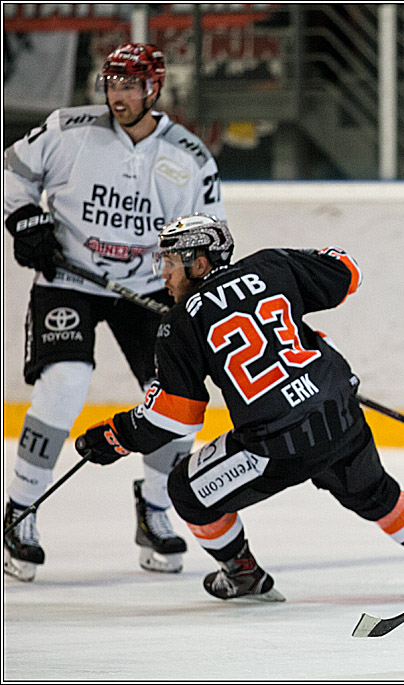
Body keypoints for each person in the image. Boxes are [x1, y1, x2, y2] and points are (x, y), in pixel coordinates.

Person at [73, 213, 404, 602]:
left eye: (170, 262)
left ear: (199, 264)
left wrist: (113, 436)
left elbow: (171, 418)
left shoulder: (182, 322)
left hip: (276, 446)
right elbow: (347, 271)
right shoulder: (270, 266)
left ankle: (242, 574)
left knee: (185, 490)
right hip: (339, 414)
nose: (163, 273)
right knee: (373, 492)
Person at [3, 42, 226, 581]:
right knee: (66, 382)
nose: (118, 95)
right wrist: (25, 217)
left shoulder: (189, 157)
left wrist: (193, 282)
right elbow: (10, 171)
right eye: (112, 84)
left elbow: (210, 236)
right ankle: (20, 509)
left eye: (130, 85)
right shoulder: (68, 129)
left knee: (178, 400)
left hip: (147, 291)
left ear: (154, 88)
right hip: (69, 281)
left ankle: (154, 508)